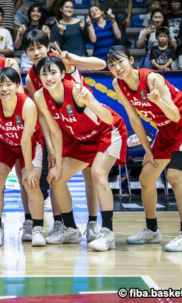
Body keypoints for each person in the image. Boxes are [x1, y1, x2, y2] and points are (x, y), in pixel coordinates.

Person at [107, 45, 182, 251]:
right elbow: (133, 119)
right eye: (112, 65)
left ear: (131, 61)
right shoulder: (118, 83)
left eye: (120, 62)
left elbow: (175, 116)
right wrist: (148, 150)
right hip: (164, 129)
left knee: (175, 176)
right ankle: (152, 230)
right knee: (146, 178)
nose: (117, 68)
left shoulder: (152, 79)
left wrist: (159, 101)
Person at [22, 31, 108, 243]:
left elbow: (101, 64)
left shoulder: (63, 61)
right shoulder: (32, 76)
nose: (36, 52)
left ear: (47, 47)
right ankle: (63, 224)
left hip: (86, 121)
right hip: (63, 128)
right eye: (31, 49)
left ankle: (92, 224)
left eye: (39, 47)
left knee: (91, 176)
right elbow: (42, 112)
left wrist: (72, 59)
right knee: (55, 176)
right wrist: (50, 146)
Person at [34, 55, 127, 251]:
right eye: (44, 74)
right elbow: (55, 131)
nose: (49, 78)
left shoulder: (76, 90)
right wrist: (57, 166)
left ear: (62, 74)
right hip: (82, 140)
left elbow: (108, 119)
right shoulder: (40, 96)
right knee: (56, 179)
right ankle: (71, 230)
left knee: (97, 174)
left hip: (108, 132)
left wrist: (91, 102)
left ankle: (108, 233)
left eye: (53, 73)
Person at [0, 68, 45, 247]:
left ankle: (36, 228)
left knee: (30, 183)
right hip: (5, 144)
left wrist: (30, 169)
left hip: (30, 144)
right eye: (0, 85)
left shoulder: (28, 105)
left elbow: (26, 140)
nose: (4, 89)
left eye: (9, 84)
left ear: (18, 85)